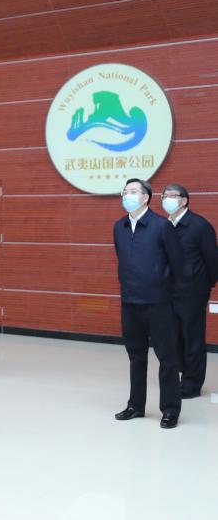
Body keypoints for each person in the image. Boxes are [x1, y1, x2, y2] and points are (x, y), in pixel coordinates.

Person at [113, 178, 184, 428]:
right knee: (136, 356)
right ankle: (136, 405)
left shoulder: (162, 226)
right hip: (130, 302)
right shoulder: (119, 226)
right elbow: (122, 259)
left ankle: (170, 409)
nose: (127, 195)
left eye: (133, 191)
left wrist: (166, 292)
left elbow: (178, 263)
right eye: (125, 191)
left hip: (159, 303)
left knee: (167, 358)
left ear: (145, 197)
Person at [160, 183, 218, 399]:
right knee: (174, 337)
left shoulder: (199, 225)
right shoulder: (164, 225)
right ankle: (182, 374)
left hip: (193, 291)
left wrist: (204, 284)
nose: (167, 199)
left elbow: (213, 260)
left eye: (172, 195)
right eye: (164, 196)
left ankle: (192, 384)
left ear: (184, 200)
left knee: (192, 338)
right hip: (168, 291)